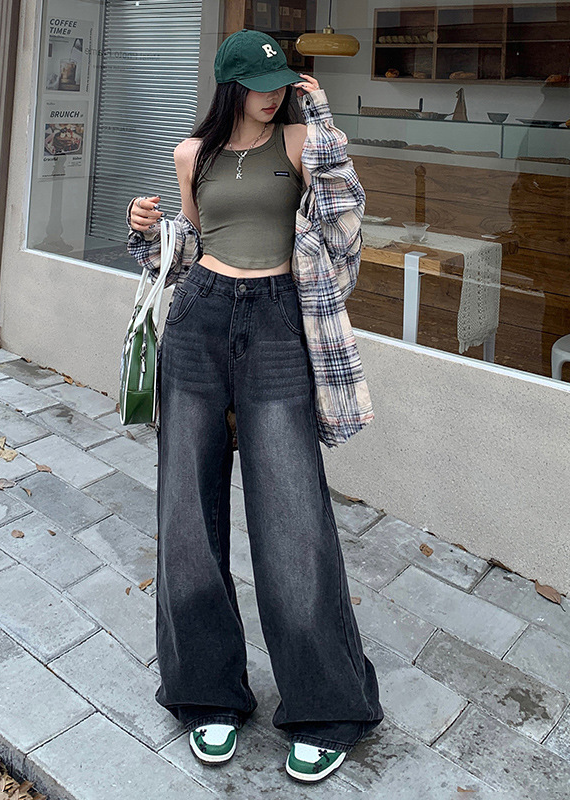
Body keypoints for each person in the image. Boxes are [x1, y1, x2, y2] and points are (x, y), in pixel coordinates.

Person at [126, 28, 383, 784]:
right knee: (187, 512)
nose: (273, 96)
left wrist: (322, 114)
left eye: (281, 83)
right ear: (231, 86)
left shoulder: (302, 143)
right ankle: (206, 693)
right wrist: (151, 231)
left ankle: (326, 705)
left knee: (293, 515)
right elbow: (191, 243)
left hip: (278, 324)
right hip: (199, 319)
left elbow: (345, 213)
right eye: (259, 85)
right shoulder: (192, 154)